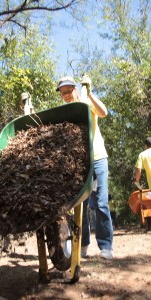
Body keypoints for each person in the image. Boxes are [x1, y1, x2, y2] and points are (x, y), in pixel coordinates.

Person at [56, 75, 113, 259]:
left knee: (102, 203)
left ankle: (106, 247)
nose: (66, 95)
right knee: (82, 206)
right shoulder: (65, 111)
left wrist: (90, 92)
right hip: (80, 162)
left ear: (75, 89)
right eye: (63, 92)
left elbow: (104, 113)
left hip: (98, 158)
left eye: (68, 91)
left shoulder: (87, 102)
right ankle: (83, 245)